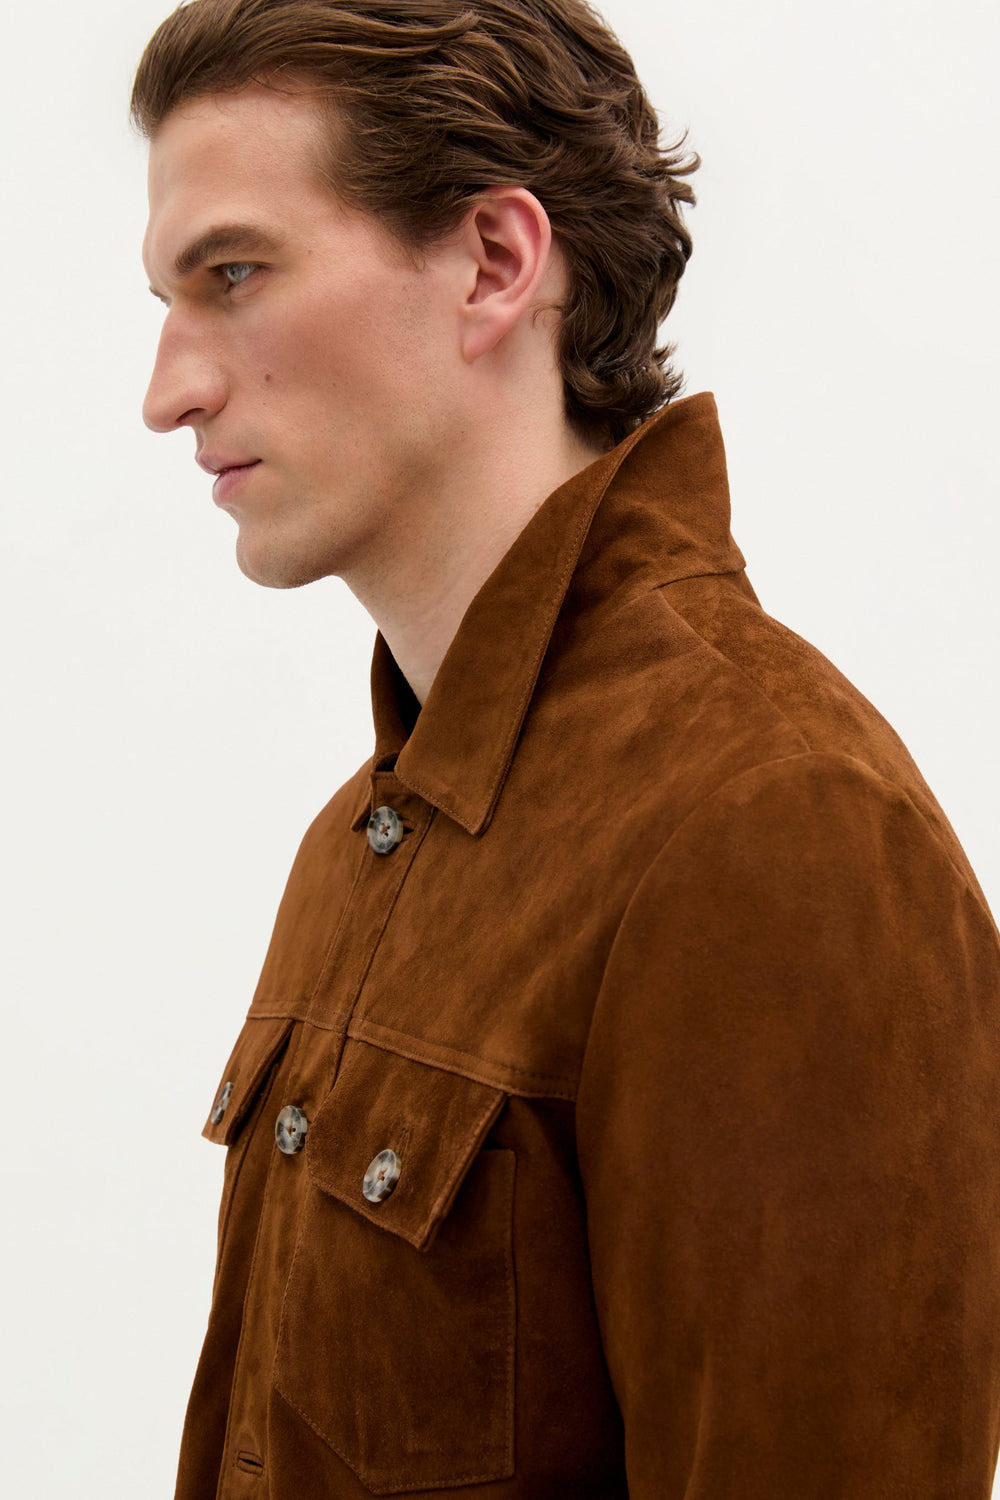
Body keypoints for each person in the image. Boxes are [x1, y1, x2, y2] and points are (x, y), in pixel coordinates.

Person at [133, 1, 1000, 1495]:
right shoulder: (361, 844)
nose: (170, 392)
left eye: (237, 274)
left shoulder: (775, 828)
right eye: (169, 298)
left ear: (494, 261)